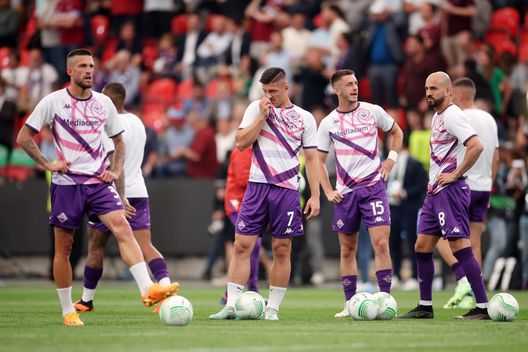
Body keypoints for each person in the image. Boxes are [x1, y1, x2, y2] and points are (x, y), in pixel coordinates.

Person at [15, 49, 178, 326]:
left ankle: (147, 289)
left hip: (98, 183)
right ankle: (68, 310)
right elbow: (23, 136)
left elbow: (120, 142)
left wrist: (115, 170)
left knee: (123, 229)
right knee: (64, 249)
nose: (89, 70)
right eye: (82, 66)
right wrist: (47, 163)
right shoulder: (53, 101)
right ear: (70, 71)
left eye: (91, 66)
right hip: (67, 184)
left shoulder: (104, 103)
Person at [208, 67, 320, 321]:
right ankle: (231, 306)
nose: (268, 96)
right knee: (241, 245)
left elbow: (312, 158)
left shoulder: (305, 118)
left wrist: (315, 195)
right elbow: (240, 142)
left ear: (286, 87)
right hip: (257, 186)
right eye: (265, 91)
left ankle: (272, 309)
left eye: (273, 91)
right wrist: (261, 118)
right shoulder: (254, 108)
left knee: (281, 248)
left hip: (287, 189)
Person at [73, 82, 176, 313]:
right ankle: (166, 289)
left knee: (96, 245)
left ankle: (86, 300)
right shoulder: (138, 122)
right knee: (145, 244)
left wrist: (119, 195)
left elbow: (111, 161)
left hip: (109, 192)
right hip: (138, 189)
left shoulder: (107, 125)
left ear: (109, 100)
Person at [399, 71, 489, 320]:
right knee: (422, 245)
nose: (429, 93)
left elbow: (476, 145)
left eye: (435, 89)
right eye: (427, 88)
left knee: (460, 246)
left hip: (450, 191)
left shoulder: (452, 115)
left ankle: (482, 307)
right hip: (435, 192)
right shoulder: (438, 117)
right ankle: (425, 306)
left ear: (449, 91)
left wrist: (455, 174)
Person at [317, 69, 404, 317]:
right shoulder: (328, 123)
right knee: (347, 250)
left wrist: (391, 160)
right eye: (348, 84)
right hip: (346, 194)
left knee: (381, 243)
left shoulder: (372, 111)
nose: (354, 87)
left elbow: (397, 132)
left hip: (374, 188)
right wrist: (328, 190)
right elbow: (317, 161)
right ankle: (350, 303)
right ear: (337, 90)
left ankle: (386, 299)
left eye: (355, 83)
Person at [435, 77, 499, 309]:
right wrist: (490, 187)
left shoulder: (458, 117)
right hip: (483, 188)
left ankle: (463, 279)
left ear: (459, 95)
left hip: (461, 185)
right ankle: (475, 295)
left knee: (439, 236)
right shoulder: (490, 119)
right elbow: (496, 157)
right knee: (475, 243)